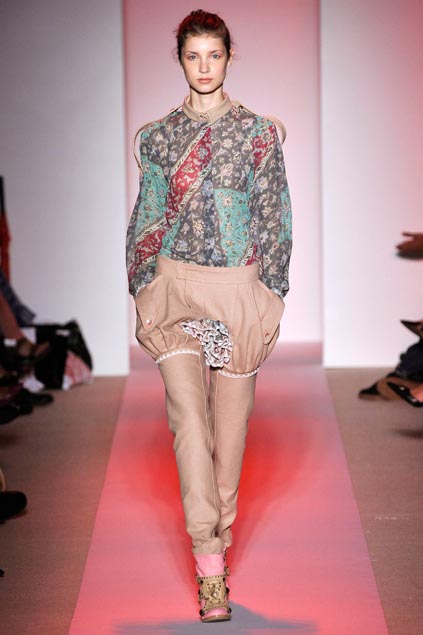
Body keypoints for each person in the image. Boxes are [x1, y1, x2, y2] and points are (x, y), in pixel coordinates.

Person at [126, 10, 292, 623]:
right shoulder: (157, 137)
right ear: (180, 59)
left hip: (237, 293)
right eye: (192, 56)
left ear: (228, 56)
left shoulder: (258, 134)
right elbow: (147, 216)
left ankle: (219, 535)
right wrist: (142, 284)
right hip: (174, 290)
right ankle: (210, 565)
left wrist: (273, 294)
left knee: (230, 439)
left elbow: (276, 217)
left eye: (213, 55)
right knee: (189, 426)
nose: (203, 67)